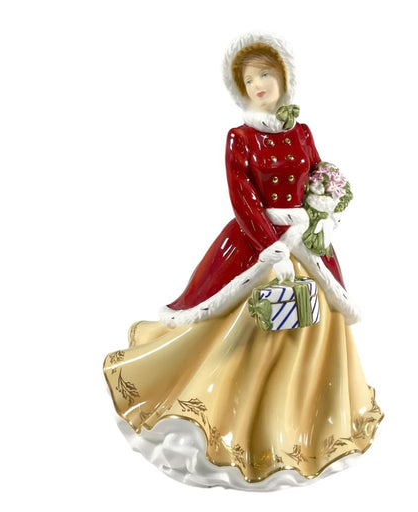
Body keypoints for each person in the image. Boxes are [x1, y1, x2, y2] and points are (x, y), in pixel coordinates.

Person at [103, 32, 383, 490]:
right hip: (259, 242)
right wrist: (271, 246)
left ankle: (311, 418)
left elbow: (316, 174)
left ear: (284, 78)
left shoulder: (302, 131)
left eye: (265, 74)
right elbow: (243, 198)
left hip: (306, 240)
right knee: (247, 324)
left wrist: (324, 211)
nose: (258, 85)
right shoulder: (239, 138)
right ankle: (239, 419)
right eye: (249, 79)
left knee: (321, 315)